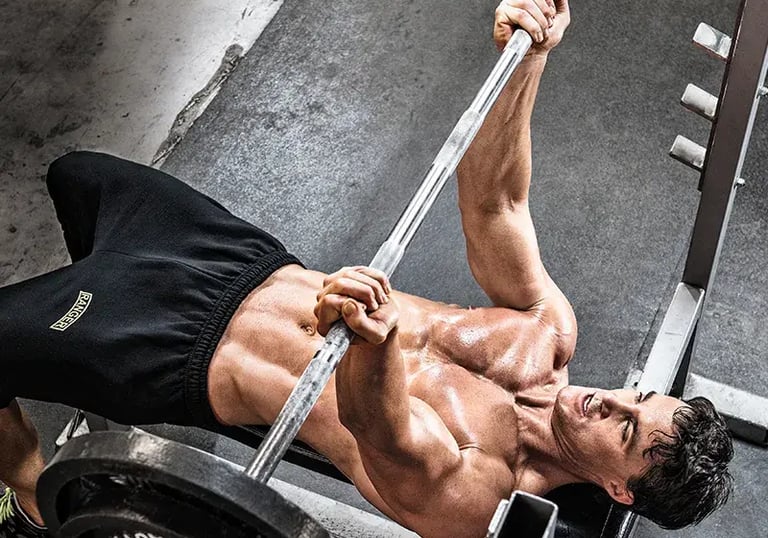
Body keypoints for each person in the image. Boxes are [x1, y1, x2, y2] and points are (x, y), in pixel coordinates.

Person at [0, 1, 733, 537]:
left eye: (628, 430)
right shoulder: (547, 339)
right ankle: (70, 337)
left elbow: (378, 431)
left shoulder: (478, 493)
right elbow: (496, 206)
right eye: (637, 396)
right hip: (235, 260)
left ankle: (30, 494)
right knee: (79, 173)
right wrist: (529, 60)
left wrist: (375, 346)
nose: (612, 402)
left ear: (618, 490)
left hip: (180, 353)